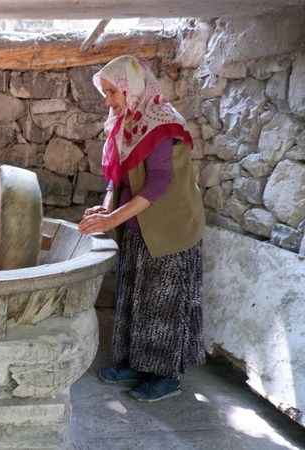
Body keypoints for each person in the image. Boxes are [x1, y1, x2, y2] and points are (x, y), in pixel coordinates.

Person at [79, 55, 206, 402]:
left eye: (111, 93)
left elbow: (158, 183)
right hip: (139, 227)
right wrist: (105, 209)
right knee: (136, 298)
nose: (108, 101)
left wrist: (111, 220)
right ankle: (137, 364)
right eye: (105, 93)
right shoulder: (126, 123)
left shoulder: (161, 123)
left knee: (163, 303)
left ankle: (166, 376)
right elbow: (116, 177)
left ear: (129, 87)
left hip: (170, 229)